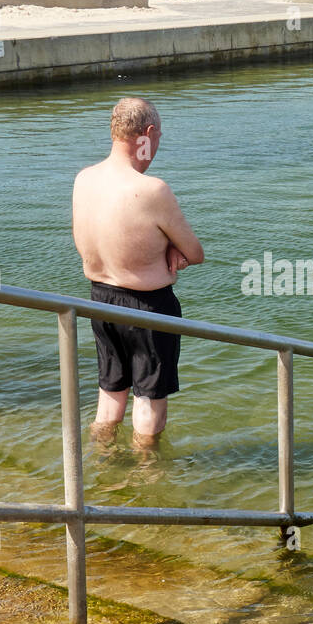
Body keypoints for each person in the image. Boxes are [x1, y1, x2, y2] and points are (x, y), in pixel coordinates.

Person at [72, 98, 204, 446]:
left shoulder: (84, 180)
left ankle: (102, 462)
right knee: (148, 399)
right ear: (147, 134)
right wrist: (171, 247)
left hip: (99, 301)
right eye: (158, 137)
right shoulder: (151, 189)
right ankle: (146, 477)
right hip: (147, 308)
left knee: (110, 392)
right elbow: (195, 252)